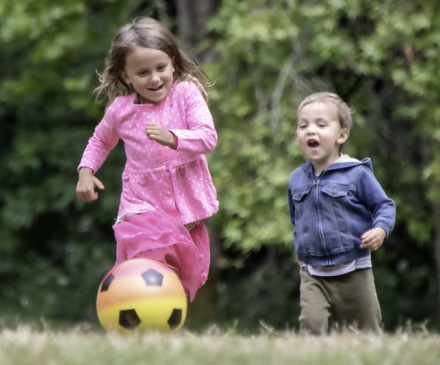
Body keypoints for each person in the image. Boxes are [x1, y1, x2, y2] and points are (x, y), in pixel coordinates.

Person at [76, 17, 218, 301]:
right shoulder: (120, 111)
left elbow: (208, 138)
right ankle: (136, 311)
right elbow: (101, 140)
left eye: (161, 68)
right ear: (126, 76)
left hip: (185, 203)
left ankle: (159, 325)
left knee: (174, 276)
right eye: (142, 72)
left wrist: (174, 138)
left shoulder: (186, 94)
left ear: (173, 63)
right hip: (142, 204)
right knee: (147, 260)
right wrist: (86, 171)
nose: (154, 79)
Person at [287, 92, 395, 335]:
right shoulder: (296, 179)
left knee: (365, 335)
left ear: (341, 135)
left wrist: (380, 229)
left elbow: (384, 206)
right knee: (311, 327)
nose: (310, 130)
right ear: (297, 136)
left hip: (354, 270)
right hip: (313, 274)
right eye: (303, 126)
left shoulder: (356, 173)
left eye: (321, 124)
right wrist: (300, 253)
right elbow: (297, 220)